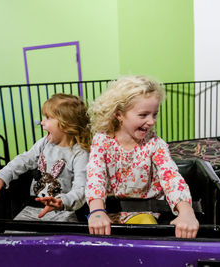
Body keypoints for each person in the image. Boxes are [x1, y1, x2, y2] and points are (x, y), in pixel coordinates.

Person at [85, 75, 199, 238]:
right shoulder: (102, 141)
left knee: (147, 237)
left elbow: (171, 176)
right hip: (105, 212)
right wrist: (96, 210)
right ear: (119, 115)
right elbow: (96, 175)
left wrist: (186, 211)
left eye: (154, 114)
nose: (151, 121)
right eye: (143, 114)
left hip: (141, 213)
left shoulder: (155, 145)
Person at [0, 93, 90, 222]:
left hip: (63, 210)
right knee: (13, 235)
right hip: (33, 206)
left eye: (48, 117)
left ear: (66, 124)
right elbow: (24, 160)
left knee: (59, 240)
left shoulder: (80, 154)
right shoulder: (45, 142)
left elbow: (81, 188)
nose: (42, 122)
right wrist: (2, 176)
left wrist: (61, 202)